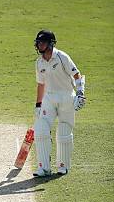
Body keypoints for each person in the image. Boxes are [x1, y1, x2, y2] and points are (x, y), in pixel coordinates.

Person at [33, 30, 86, 177]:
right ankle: (43, 168)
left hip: (66, 97)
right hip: (49, 98)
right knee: (41, 130)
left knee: (63, 131)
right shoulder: (39, 62)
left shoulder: (62, 57)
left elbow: (77, 74)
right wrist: (38, 105)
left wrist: (80, 93)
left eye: (42, 42)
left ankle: (62, 166)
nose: (39, 45)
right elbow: (40, 84)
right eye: (38, 43)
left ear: (50, 43)